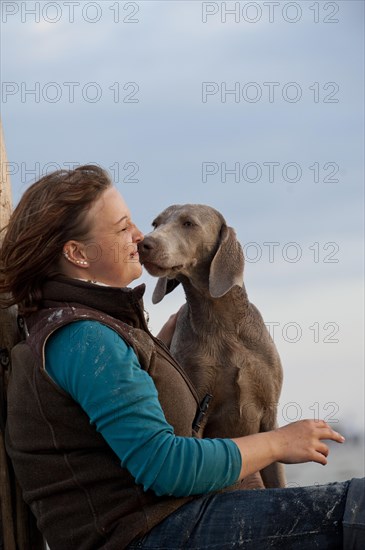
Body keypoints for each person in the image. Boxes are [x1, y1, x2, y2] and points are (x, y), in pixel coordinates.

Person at [0, 164, 363, 550]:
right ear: (77, 253)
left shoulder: (79, 331)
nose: (141, 237)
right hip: (148, 534)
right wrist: (277, 443)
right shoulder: (83, 339)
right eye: (123, 228)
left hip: (164, 523)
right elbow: (165, 467)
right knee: (356, 508)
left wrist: (152, 358)